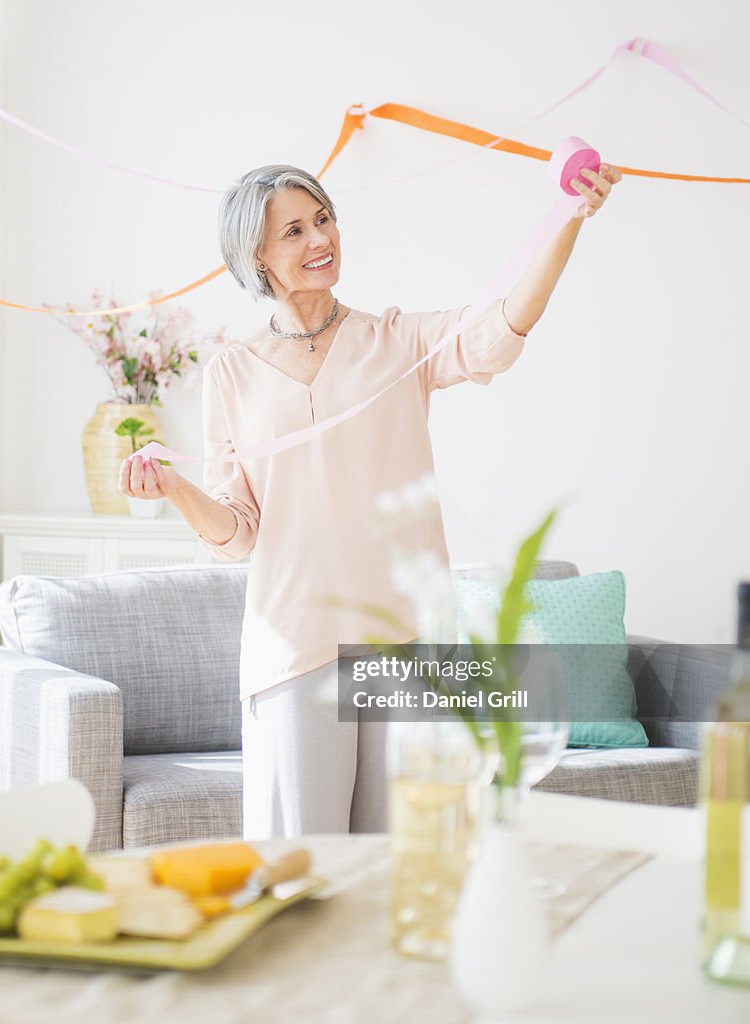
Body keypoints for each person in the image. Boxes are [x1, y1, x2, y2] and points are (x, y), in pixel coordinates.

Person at [118, 162, 621, 839]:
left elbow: (500, 330)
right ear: (257, 257)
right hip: (295, 644)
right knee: (304, 868)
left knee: (399, 861)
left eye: (322, 218)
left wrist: (569, 220)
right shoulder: (232, 375)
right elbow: (238, 534)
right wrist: (176, 489)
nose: (319, 238)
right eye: (293, 230)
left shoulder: (396, 342)